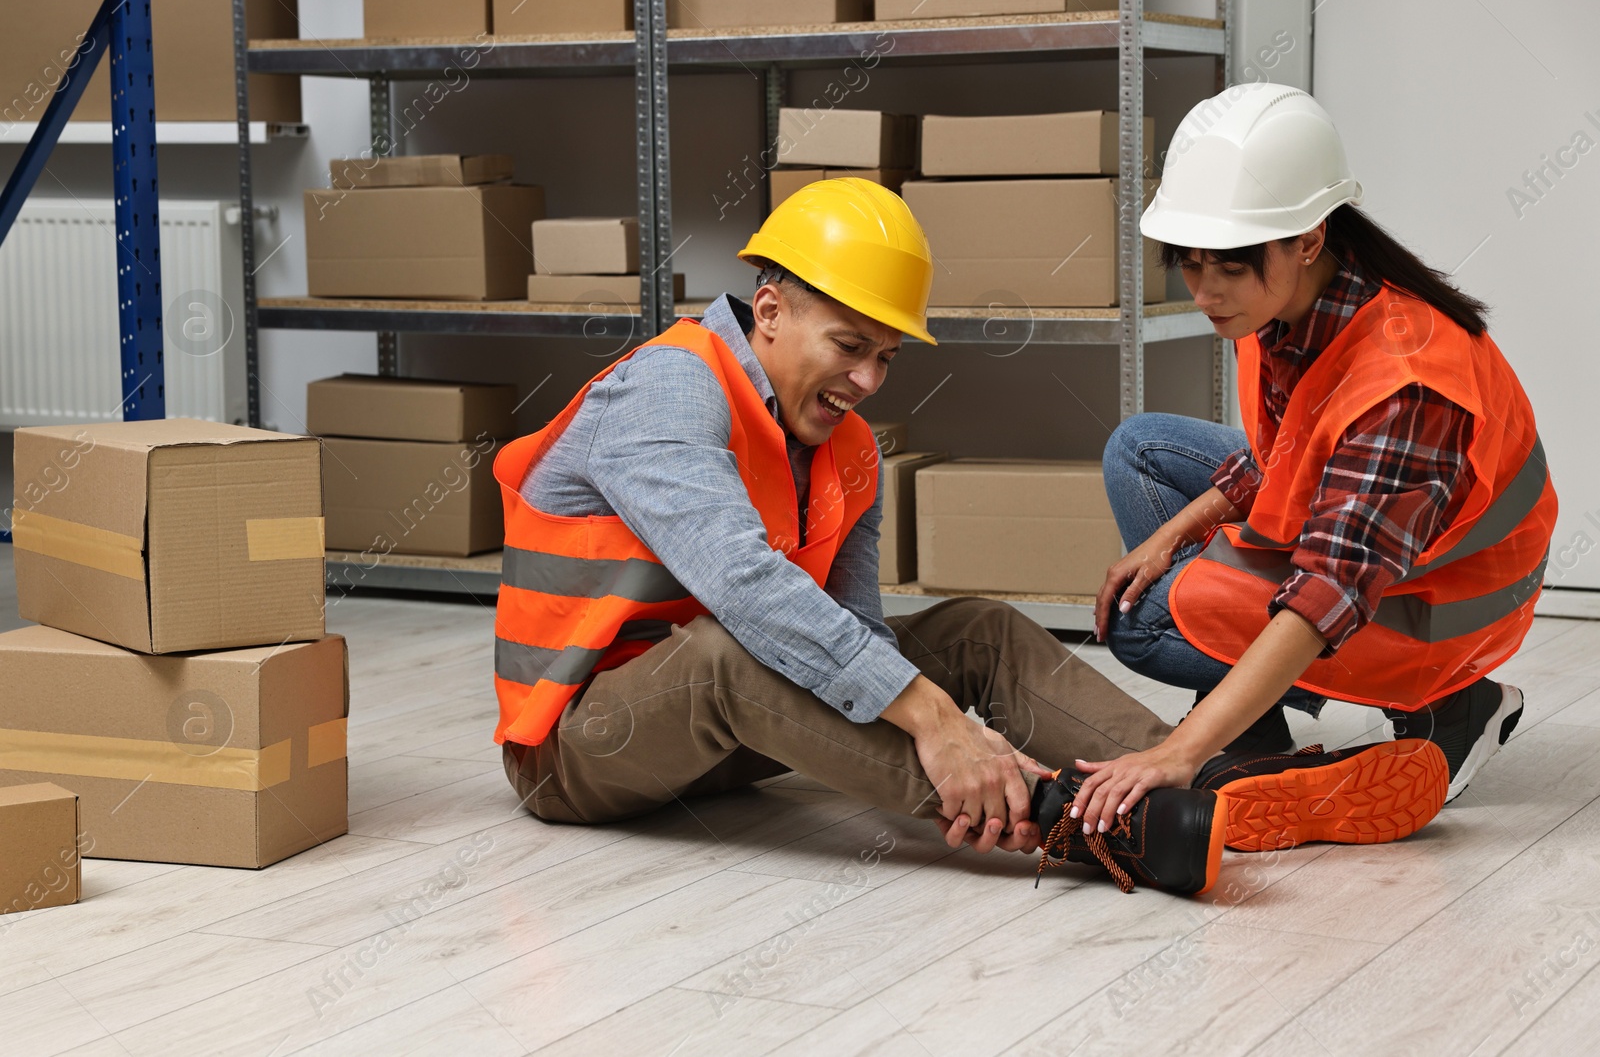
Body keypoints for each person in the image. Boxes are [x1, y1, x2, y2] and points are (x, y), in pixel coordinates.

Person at [494, 178, 1446, 897]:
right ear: (770, 310)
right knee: (726, 653)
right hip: (583, 746)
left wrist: (943, 708)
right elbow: (743, 586)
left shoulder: (847, 448)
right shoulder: (665, 391)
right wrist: (945, 728)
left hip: (733, 741)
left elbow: (856, 636)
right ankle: (1086, 825)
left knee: (973, 631)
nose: (868, 380)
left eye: (886, 356)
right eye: (849, 345)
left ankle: (1203, 783)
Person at [1076, 84, 1556, 840]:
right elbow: (1288, 452)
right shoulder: (1298, 294)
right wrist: (1173, 532)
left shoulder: (1406, 380)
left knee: (1145, 621)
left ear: (1307, 237)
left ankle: (1447, 704)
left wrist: (1174, 755)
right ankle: (1255, 721)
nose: (1204, 293)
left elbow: (1328, 592)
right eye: (1190, 264)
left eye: (1229, 266)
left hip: (1445, 596)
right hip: (1386, 543)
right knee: (1139, 452)